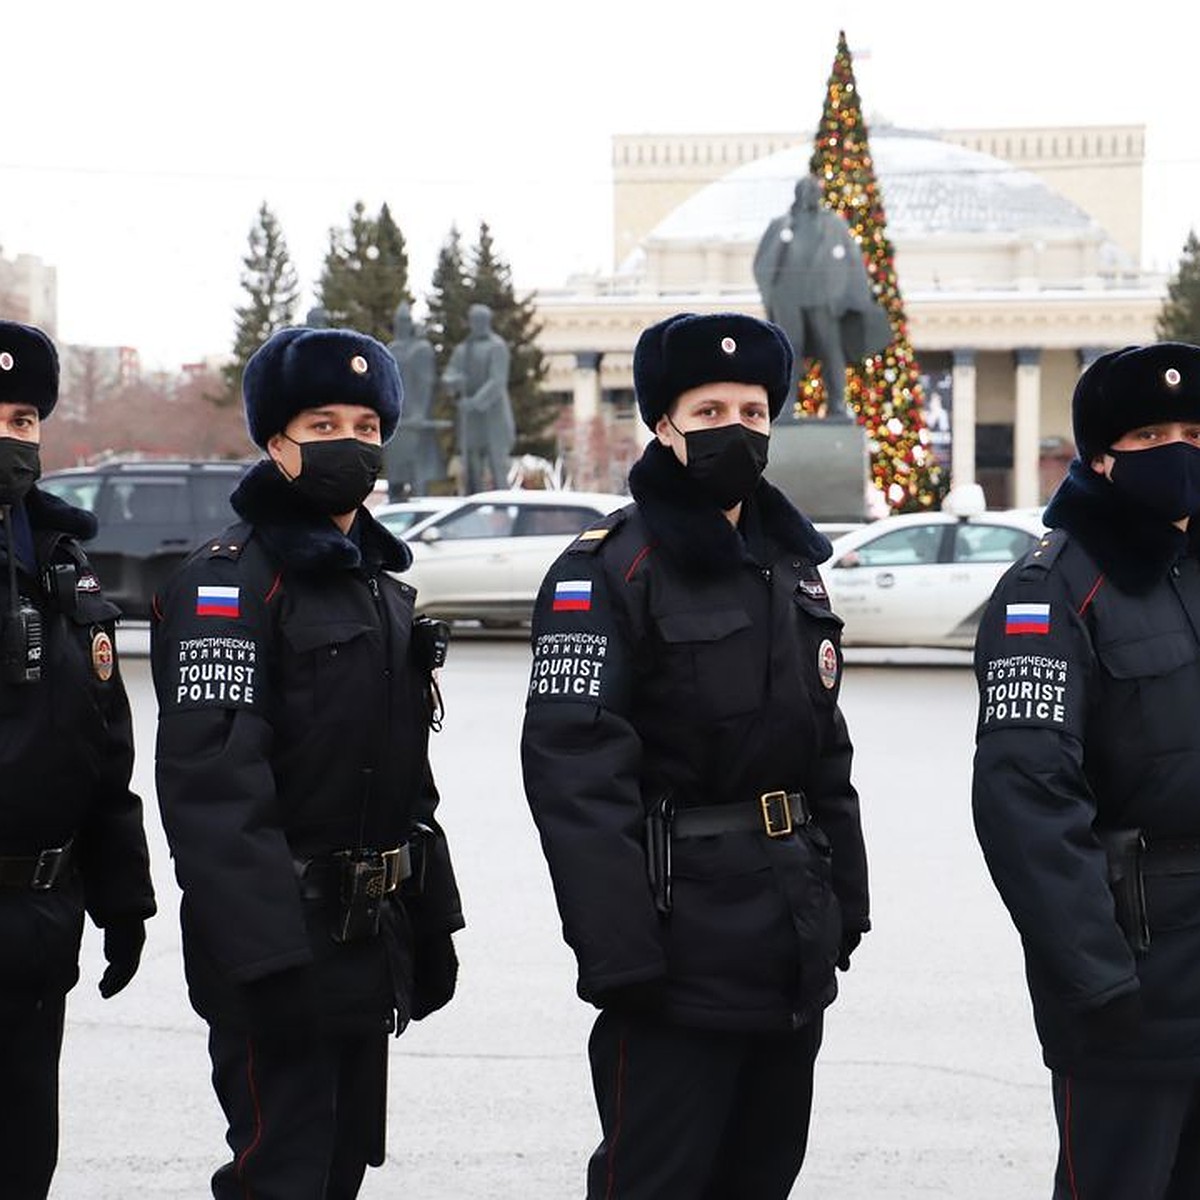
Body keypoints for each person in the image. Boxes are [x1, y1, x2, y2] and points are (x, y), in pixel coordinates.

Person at [520, 311, 870, 1199]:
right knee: (659, 1180)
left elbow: (824, 749)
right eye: (709, 409)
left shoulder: (791, 567)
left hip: (789, 933)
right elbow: (574, 775)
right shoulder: (607, 569)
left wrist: (847, 901)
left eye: (753, 410)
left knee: (763, 1175)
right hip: (676, 950)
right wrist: (618, 953)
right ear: (665, 425)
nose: (736, 429)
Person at [151, 324, 464, 1199]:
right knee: (278, 1174)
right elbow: (213, 789)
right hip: (278, 949)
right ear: (276, 441)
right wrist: (266, 962)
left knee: (338, 1169)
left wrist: (431, 920)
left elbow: (409, 778)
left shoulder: (381, 589)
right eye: (323, 425)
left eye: (366, 428)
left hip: (368, 942)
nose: (350, 446)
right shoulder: (229, 583)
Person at [972, 342, 1200, 1199]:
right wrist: (1095, 978)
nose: (1179, 449)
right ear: (1101, 457)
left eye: (1193, 429)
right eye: (1151, 434)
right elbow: (1024, 798)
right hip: (1132, 981)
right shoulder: (1052, 589)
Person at [0, 319, 155, 1198]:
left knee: (23, 1164)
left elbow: (104, 749)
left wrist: (121, 897)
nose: (11, 437)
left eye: (24, 420)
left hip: (36, 925)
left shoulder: (62, 564)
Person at [752, 172, 891, 422]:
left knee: (831, 351)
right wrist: (772, 295)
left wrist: (850, 297)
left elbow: (851, 262)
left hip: (824, 299)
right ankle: (785, 406)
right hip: (789, 299)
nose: (809, 194)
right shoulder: (781, 224)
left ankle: (837, 404)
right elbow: (764, 264)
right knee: (789, 352)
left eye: (813, 190)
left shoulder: (834, 225)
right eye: (804, 190)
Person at [442, 303, 515, 492]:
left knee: (497, 467)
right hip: (472, 422)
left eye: (480, 320)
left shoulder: (497, 346)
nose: (477, 324)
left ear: (487, 321)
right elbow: (449, 374)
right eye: (474, 321)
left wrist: (473, 403)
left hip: (493, 417)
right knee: (472, 472)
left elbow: (497, 381)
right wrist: (454, 381)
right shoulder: (463, 349)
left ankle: (504, 508)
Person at [384, 300, 444, 498]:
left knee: (418, 479)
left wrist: (419, 413)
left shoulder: (421, 349)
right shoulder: (391, 348)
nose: (402, 325)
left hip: (415, 424)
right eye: (399, 321)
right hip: (396, 423)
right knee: (395, 480)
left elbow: (426, 383)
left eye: (406, 320)